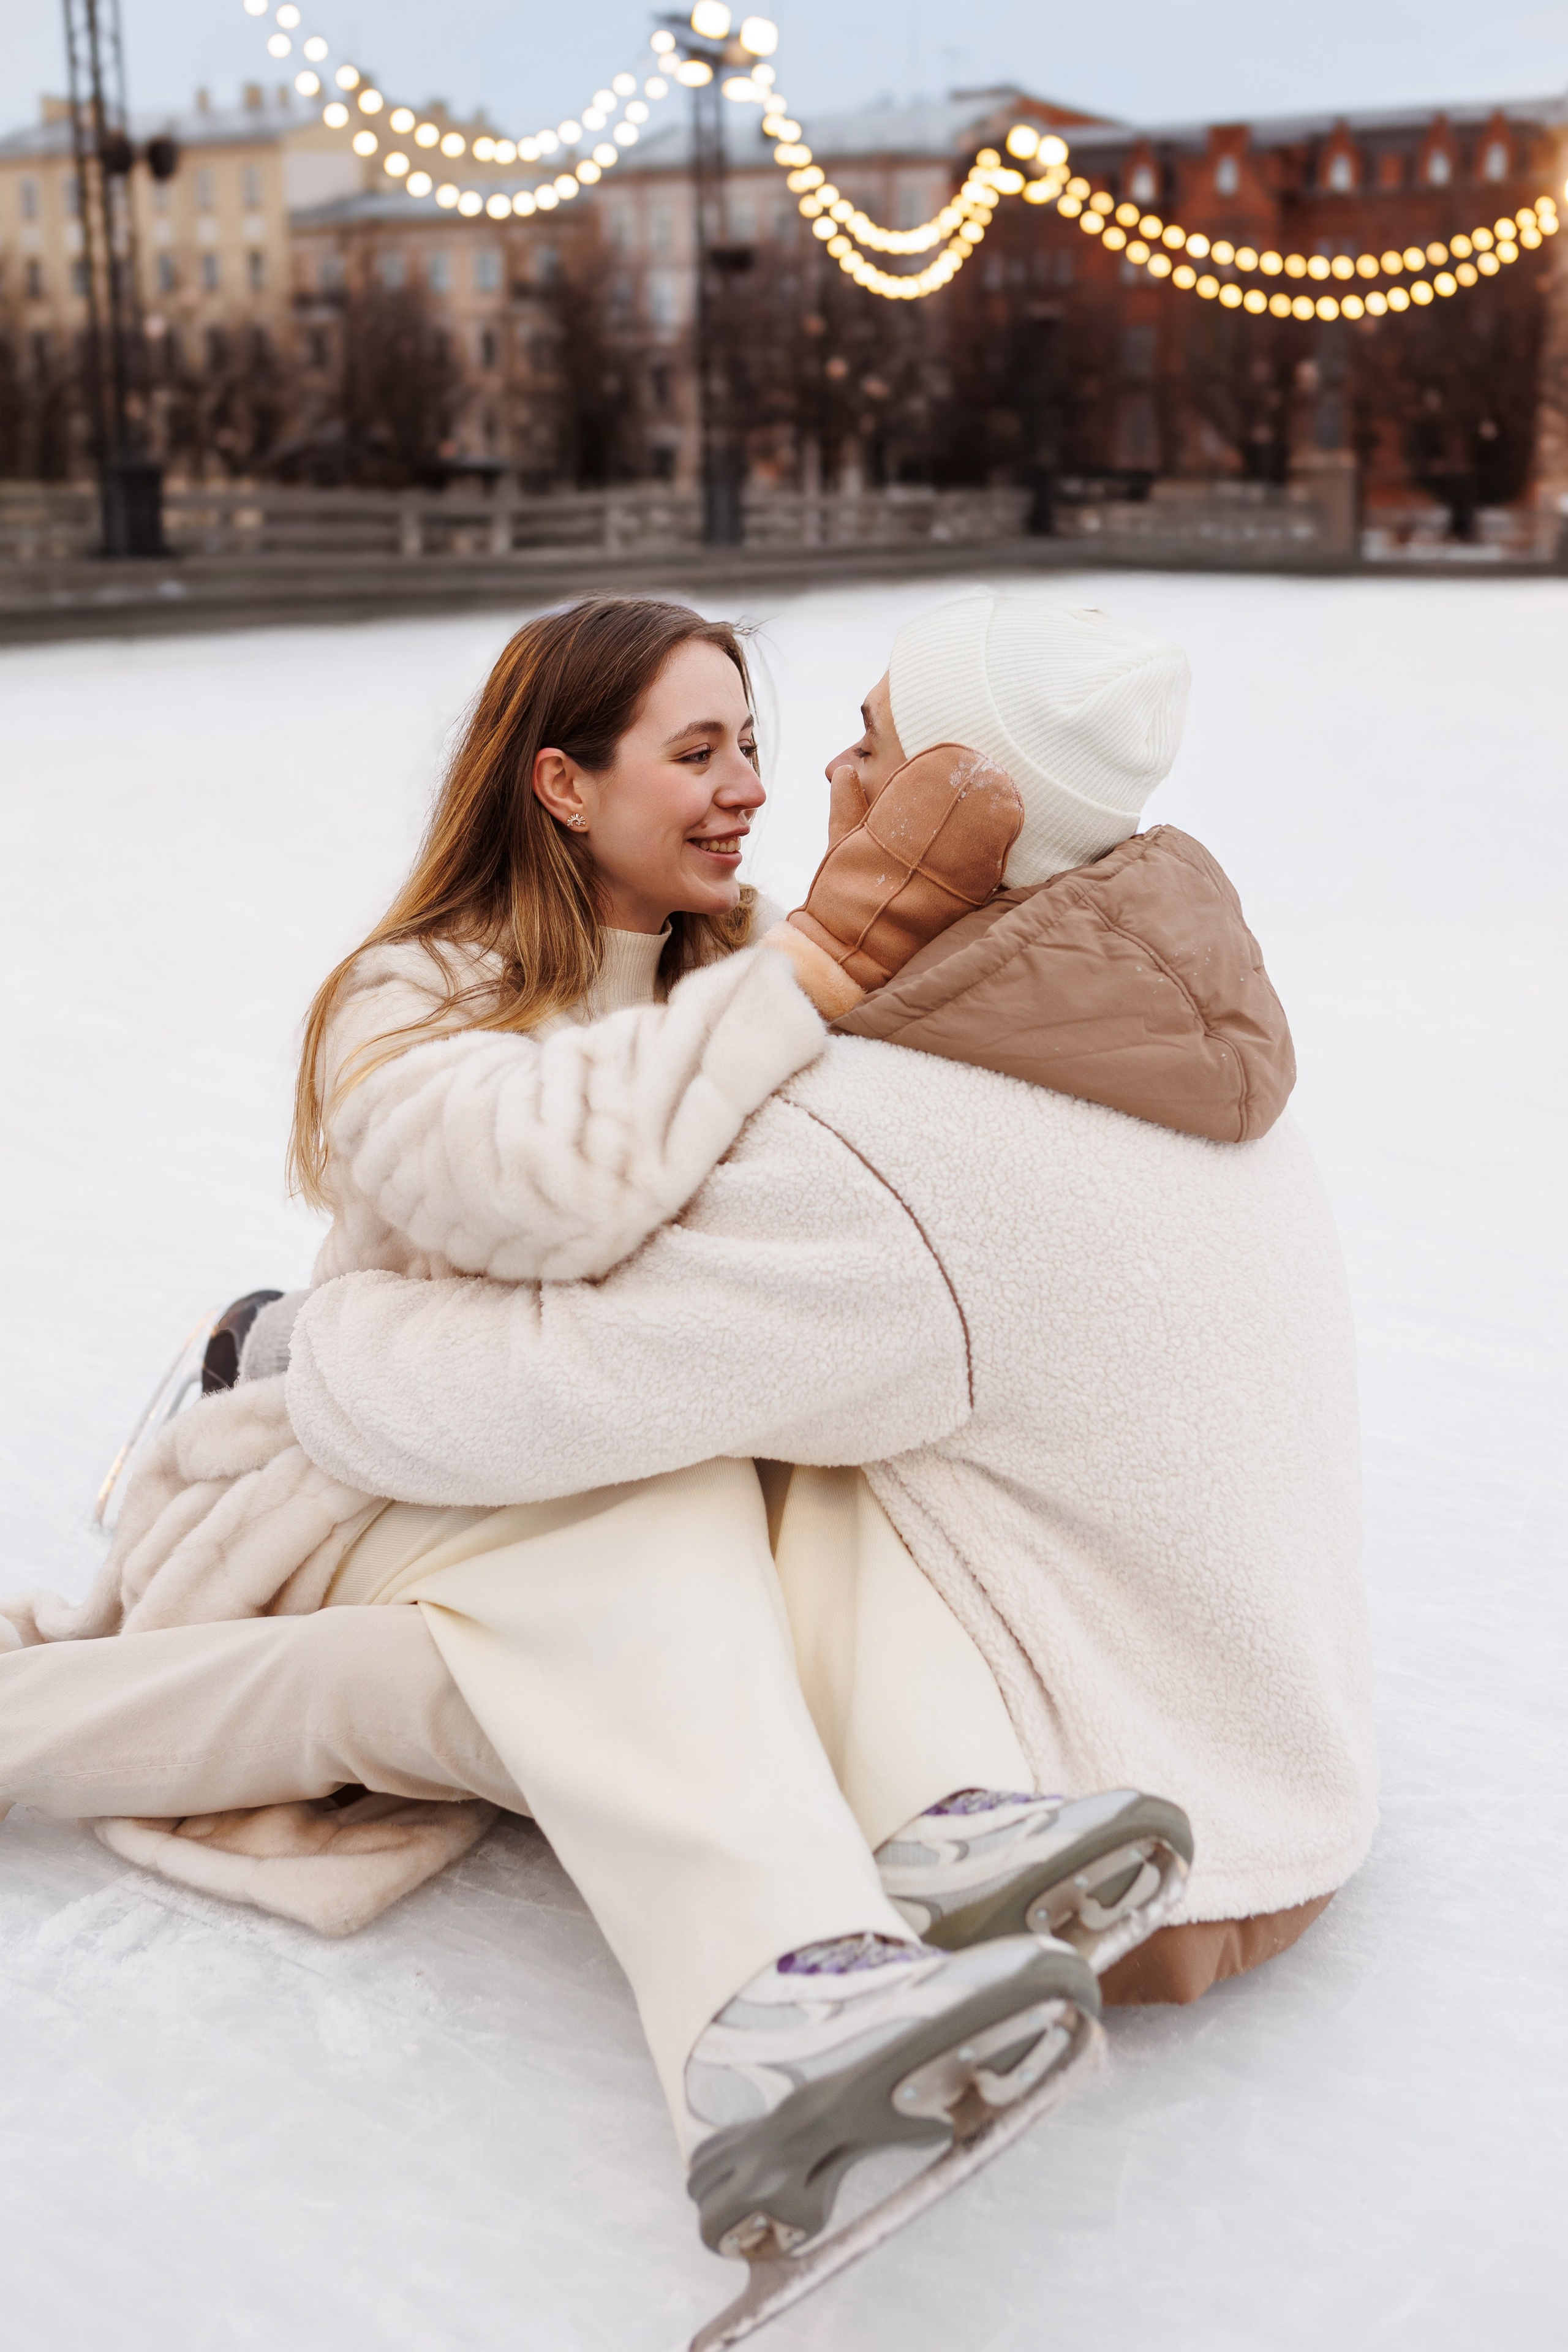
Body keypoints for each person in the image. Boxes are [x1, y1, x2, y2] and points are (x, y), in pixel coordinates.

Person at [2, 593, 1375, 2324]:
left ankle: (938, 1817)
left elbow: (679, 1340)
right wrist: (297, 1341)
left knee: (532, 1635)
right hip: (359, 1461)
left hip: (521, 1470)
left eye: (767, 747)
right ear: (565, 786)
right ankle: (781, 1979)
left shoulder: (752, 977)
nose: (752, 790)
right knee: (640, 1495)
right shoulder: (418, 995)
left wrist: (799, 974)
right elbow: (546, 1196)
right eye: (699, 750)